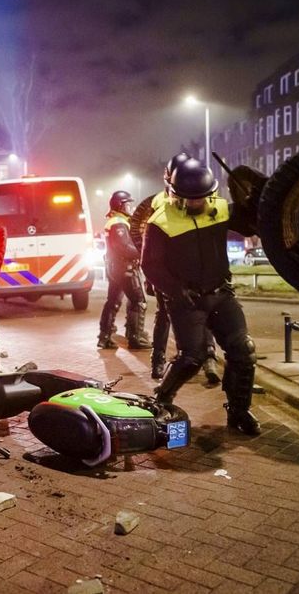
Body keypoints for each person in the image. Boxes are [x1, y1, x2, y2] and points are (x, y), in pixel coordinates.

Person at [142, 158, 261, 436]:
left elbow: (251, 225)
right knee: (192, 357)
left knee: (243, 350)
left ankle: (239, 410)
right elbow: (150, 265)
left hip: (220, 293)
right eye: (187, 199)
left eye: (201, 199)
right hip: (187, 300)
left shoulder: (219, 209)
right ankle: (162, 398)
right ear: (173, 193)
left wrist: (252, 202)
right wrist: (176, 291)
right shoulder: (160, 221)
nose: (195, 204)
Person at [130, 153, 221, 384]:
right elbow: (141, 234)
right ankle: (159, 359)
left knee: (206, 311)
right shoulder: (156, 202)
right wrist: (153, 272)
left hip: (197, 273)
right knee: (164, 315)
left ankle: (208, 358)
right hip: (169, 275)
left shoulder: (204, 198)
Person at [97, 190, 151, 350]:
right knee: (138, 301)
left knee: (112, 302)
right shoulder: (118, 223)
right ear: (120, 205)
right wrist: (144, 251)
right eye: (128, 204)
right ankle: (136, 338)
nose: (130, 207)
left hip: (115, 268)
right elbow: (124, 247)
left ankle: (104, 336)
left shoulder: (115, 220)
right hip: (124, 268)